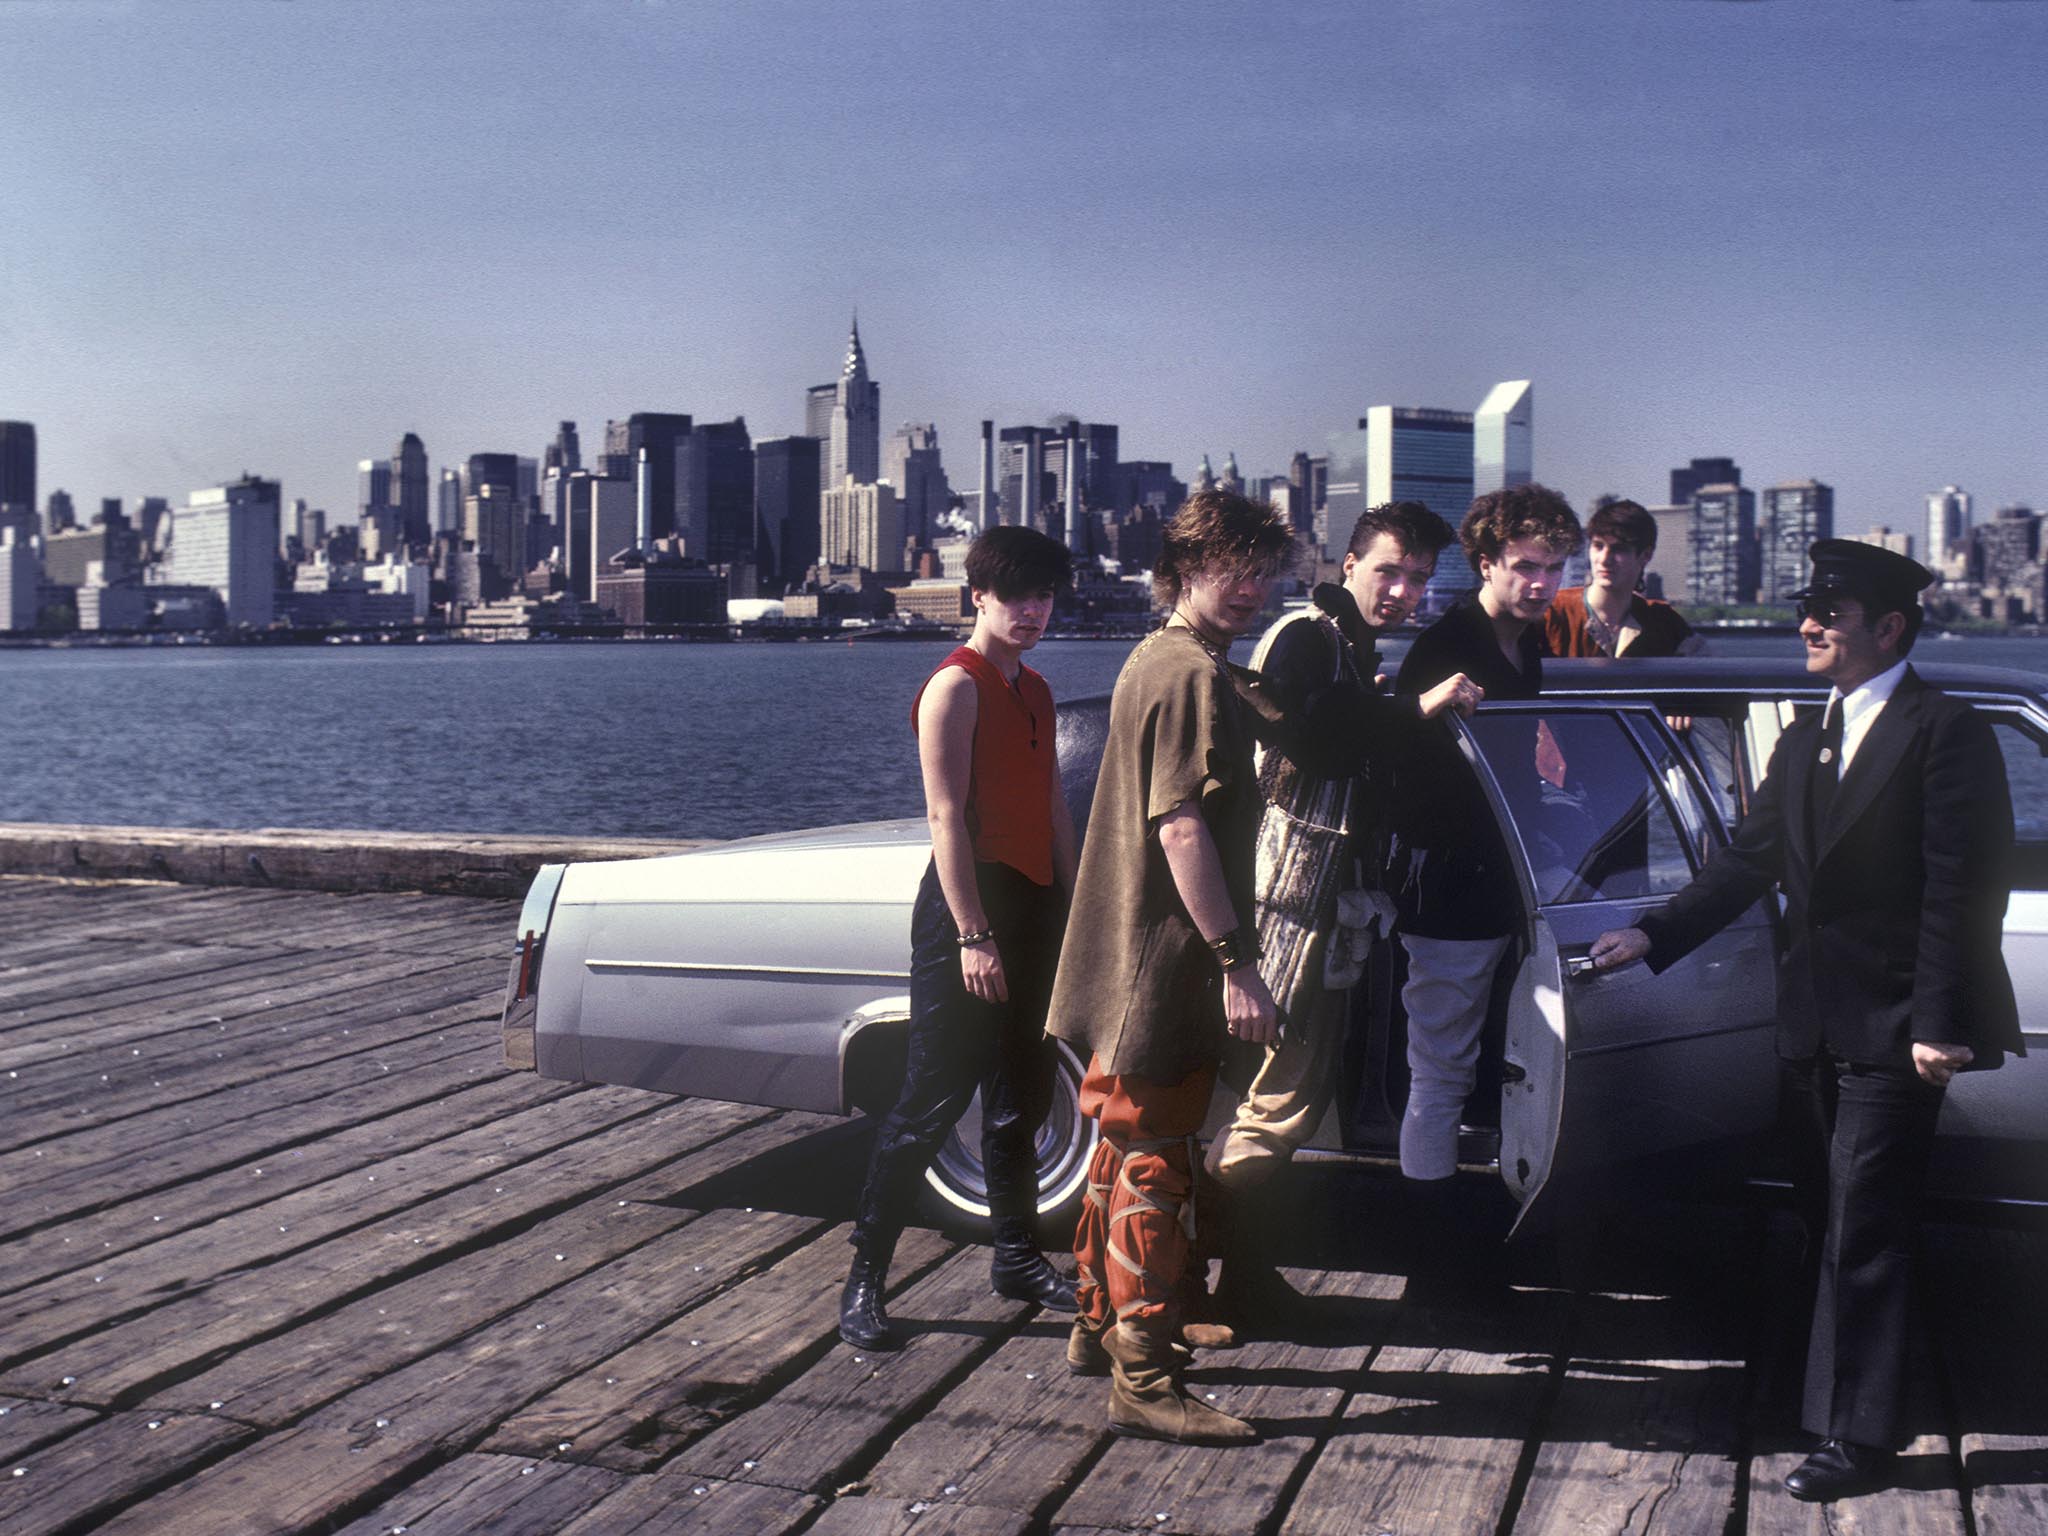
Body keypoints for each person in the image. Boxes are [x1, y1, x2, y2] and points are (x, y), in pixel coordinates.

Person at [1589, 540, 2020, 1503]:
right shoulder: (1811, 732)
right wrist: (1653, 935)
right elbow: (1747, 861)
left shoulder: (1945, 732)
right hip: (1813, 1024)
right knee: (1827, 1217)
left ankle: (1864, 1440)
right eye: (1808, 609)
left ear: (1890, 627)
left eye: (1831, 614)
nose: (1810, 626)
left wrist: (1940, 1022)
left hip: (1898, 1023)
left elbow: (1964, 892)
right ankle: (1832, 1404)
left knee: (1869, 1225)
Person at [1045, 487, 1295, 1445]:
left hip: (1128, 949)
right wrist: (1237, 963)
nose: (1253, 587)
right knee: (1155, 1158)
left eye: (1265, 571)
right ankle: (1142, 1380)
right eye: (1235, 568)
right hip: (1170, 957)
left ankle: (1093, 1323)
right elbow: (1181, 825)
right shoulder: (1187, 670)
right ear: (1187, 566)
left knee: (1120, 1139)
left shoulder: (1168, 658)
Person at [1205, 501, 1476, 1316]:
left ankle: (1241, 1274)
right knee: (1280, 1097)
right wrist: (1416, 708)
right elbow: (1316, 737)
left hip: (1324, 908)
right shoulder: (1303, 638)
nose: (1403, 590)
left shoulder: (1348, 648)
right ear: (1348, 563)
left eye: (1419, 579)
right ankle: (1217, 1281)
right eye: (1388, 570)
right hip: (1287, 908)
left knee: (1296, 1095)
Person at [839, 525, 1081, 1351]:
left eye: (1045, 596)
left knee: (1023, 1097)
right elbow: (944, 816)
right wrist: (974, 934)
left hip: (1036, 907)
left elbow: (1050, 805)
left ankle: (1016, 1256)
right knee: (929, 1102)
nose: (1034, 611)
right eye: (1018, 596)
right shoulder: (956, 686)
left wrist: (1076, 902)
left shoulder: (1037, 690)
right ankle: (866, 1276)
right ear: (977, 596)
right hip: (965, 911)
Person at [1391, 484, 1581, 1183]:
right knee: (1440, 1075)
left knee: (1484, 1068)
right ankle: (1431, 1246)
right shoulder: (1448, 647)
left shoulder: (1523, 647)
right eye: (1526, 566)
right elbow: (1403, 776)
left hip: (1506, 882)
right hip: (1450, 890)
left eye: (1554, 568)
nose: (1540, 583)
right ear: (1485, 563)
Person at [1544, 498, 1705, 659]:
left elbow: (1708, 672)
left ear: (1646, 555)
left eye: (1618, 549)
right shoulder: (1552, 613)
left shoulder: (1663, 622)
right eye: (1598, 546)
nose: (1604, 559)